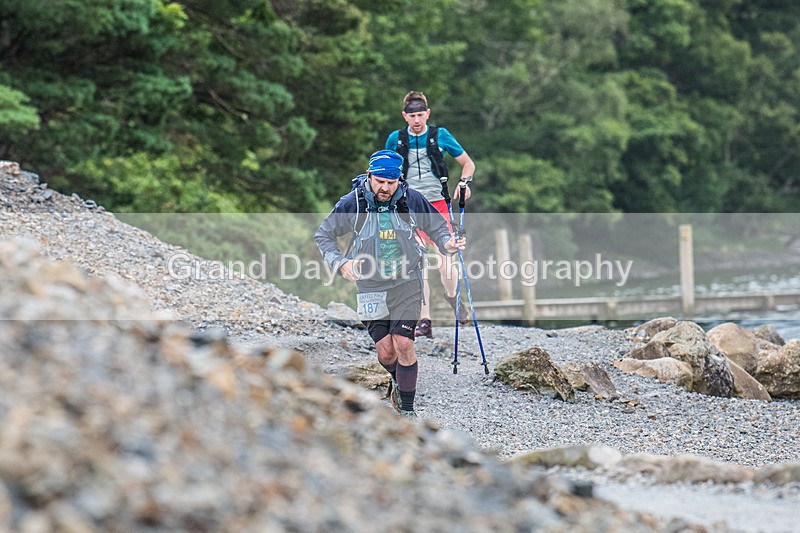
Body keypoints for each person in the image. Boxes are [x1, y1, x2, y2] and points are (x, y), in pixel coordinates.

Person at [315, 149, 465, 418]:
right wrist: (341, 263)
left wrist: (447, 243)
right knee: (385, 352)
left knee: (404, 343)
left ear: (399, 179)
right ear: (370, 175)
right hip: (370, 284)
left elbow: (438, 228)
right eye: (380, 181)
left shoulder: (410, 198)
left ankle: (407, 411)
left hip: (407, 280)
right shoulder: (354, 202)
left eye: (391, 182)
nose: (384, 188)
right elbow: (324, 235)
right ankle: (398, 385)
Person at [385, 90, 476, 338]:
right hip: (409, 207)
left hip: (438, 206)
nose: (416, 120)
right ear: (405, 116)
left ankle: (453, 298)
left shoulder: (440, 135)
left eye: (420, 115)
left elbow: (468, 163)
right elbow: (387, 171)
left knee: (446, 263)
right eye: (412, 115)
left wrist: (464, 182)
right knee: (418, 265)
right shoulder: (396, 139)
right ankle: (424, 320)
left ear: (428, 114)